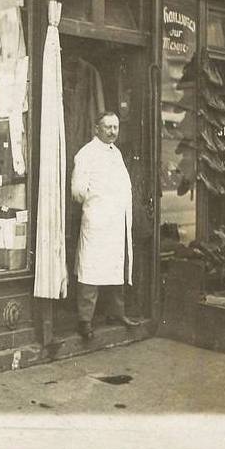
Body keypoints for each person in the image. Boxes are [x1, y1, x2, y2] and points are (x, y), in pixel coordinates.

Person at [70, 111, 142, 339]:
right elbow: (77, 191)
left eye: (115, 127)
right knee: (91, 271)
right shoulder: (86, 154)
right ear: (96, 128)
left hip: (115, 224)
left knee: (115, 268)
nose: (113, 132)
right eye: (108, 127)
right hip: (98, 221)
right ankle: (85, 321)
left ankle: (116, 312)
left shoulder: (116, 153)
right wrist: (99, 203)